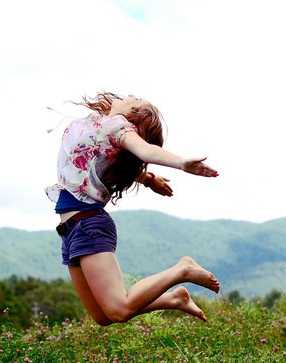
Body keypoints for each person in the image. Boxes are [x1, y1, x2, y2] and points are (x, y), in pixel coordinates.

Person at [45, 92, 220, 325]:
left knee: (120, 310)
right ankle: (175, 299)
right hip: (70, 231)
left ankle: (182, 269)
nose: (129, 95)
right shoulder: (99, 126)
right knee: (103, 316)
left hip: (88, 226)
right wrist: (148, 180)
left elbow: (145, 150)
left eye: (136, 100)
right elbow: (100, 163)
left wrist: (181, 163)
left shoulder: (120, 128)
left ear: (132, 116)